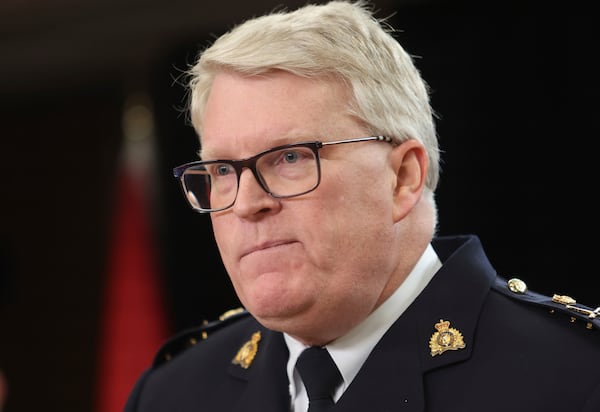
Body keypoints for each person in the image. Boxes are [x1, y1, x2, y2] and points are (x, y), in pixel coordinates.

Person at [124, 1, 600, 411]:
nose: (247, 204)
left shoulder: (575, 378)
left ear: (402, 178)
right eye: (223, 170)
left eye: (290, 157)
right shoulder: (173, 394)